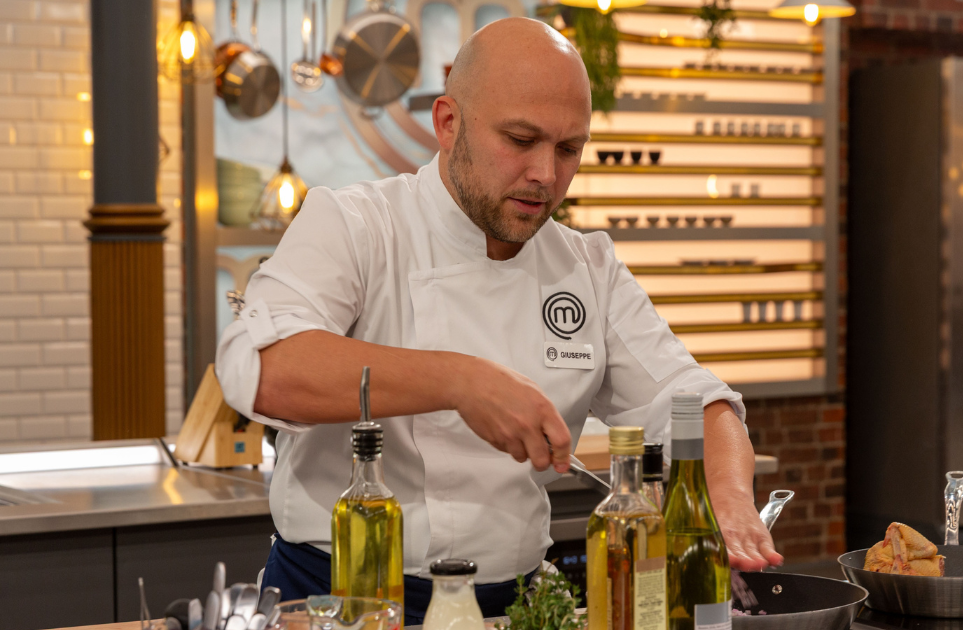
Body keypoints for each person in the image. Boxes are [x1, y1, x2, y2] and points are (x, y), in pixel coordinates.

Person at [216, 16, 782, 624]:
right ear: (448, 123)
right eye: (520, 139)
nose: (545, 174)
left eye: (568, 149)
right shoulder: (356, 225)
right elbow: (266, 368)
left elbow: (691, 399)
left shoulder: (585, 267)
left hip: (513, 608)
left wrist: (725, 497)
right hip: (341, 599)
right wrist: (462, 382)